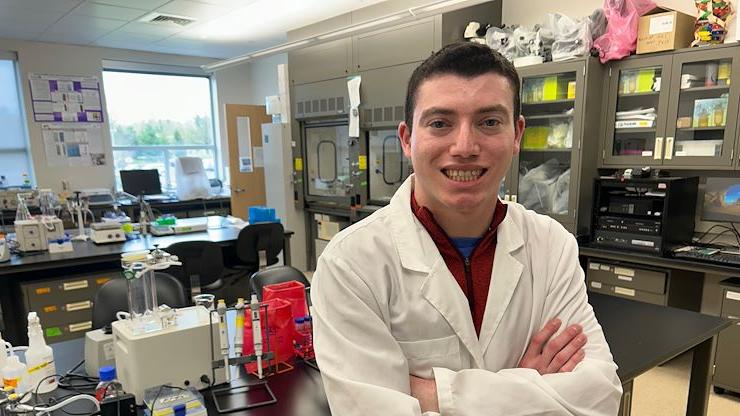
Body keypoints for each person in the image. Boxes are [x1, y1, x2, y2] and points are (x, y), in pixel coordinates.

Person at [311, 42, 622, 415]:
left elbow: (600, 394)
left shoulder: (551, 245)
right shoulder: (350, 265)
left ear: (517, 134)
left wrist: (436, 394)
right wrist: (526, 384)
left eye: (488, 122)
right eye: (440, 123)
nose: (464, 146)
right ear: (408, 139)